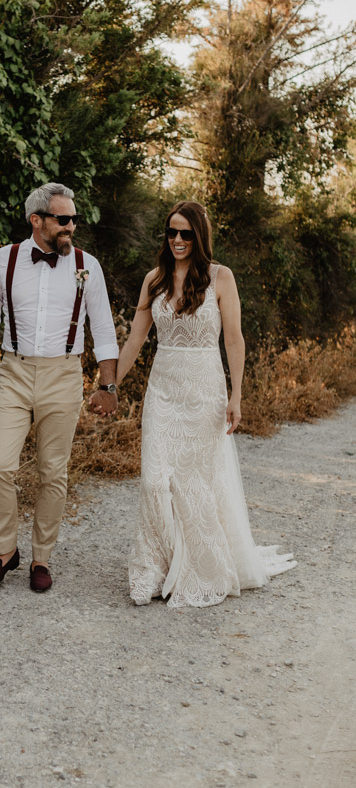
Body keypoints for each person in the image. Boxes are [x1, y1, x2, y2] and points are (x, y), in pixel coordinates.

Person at [114, 200, 296, 608]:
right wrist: (109, 386)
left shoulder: (221, 278)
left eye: (185, 233)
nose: (177, 240)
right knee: (154, 480)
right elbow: (135, 340)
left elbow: (234, 338)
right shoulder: (154, 279)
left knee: (195, 483)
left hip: (204, 391)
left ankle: (198, 564)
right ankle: (157, 566)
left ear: (199, 236)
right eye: (171, 232)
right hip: (163, 390)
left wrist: (237, 395)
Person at [0, 183, 119, 592]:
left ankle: (41, 559)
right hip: (13, 372)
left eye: (74, 220)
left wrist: (108, 386)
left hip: (64, 374)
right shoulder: (2, 260)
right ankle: (5, 551)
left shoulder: (87, 266)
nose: (71, 228)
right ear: (37, 220)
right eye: (63, 220)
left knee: (53, 472)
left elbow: (102, 329)